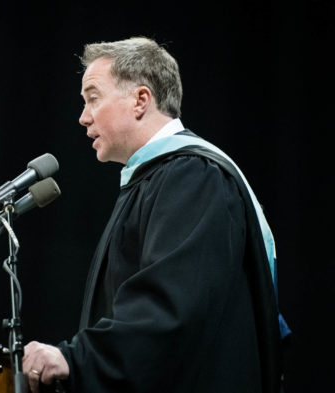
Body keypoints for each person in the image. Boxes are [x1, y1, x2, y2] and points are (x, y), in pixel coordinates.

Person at [22, 36, 287, 393]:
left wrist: (77, 359)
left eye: (93, 98)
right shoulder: (164, 177)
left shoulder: (193, 176)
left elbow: (171, 308)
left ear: (140, 100)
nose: (83, 117)